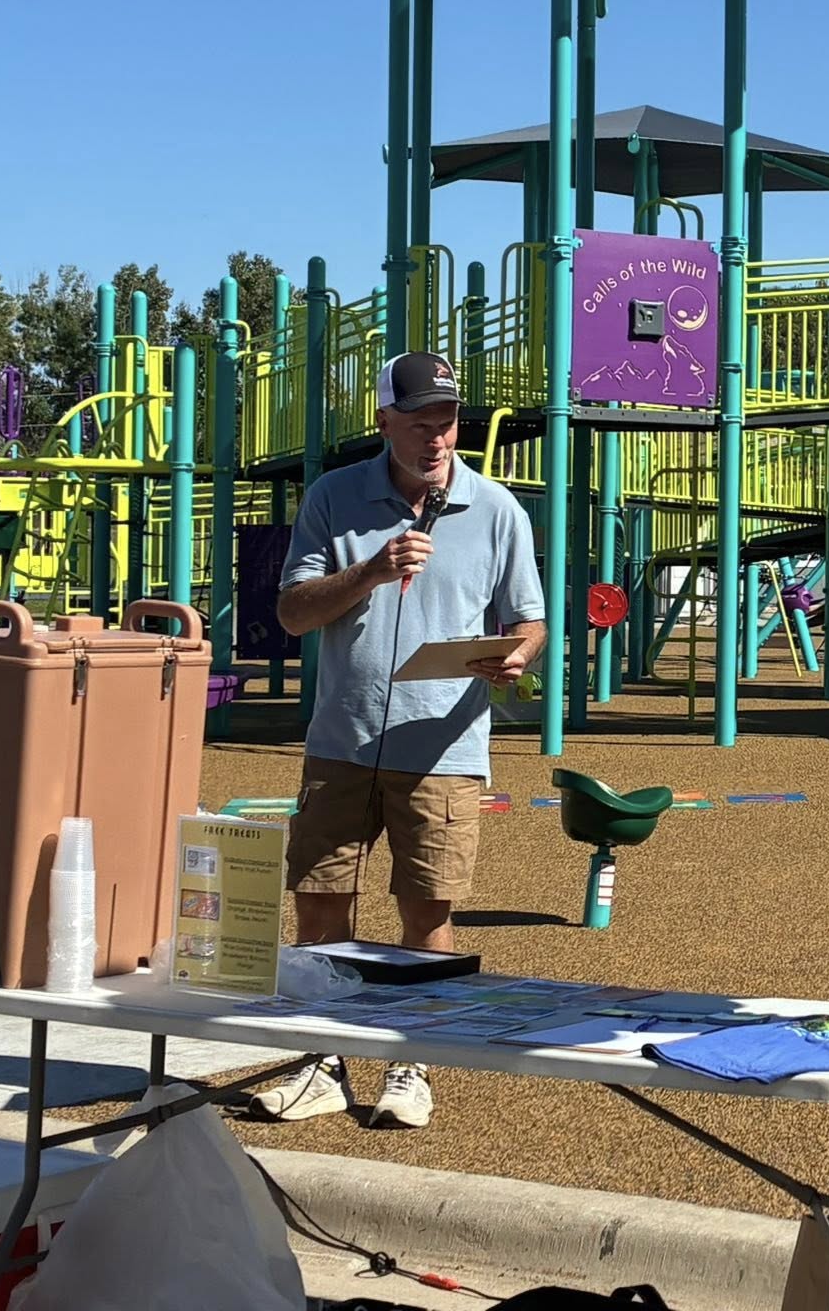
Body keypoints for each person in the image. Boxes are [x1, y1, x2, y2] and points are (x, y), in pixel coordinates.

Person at [251, 352, 546, 1129]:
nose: (437, 437)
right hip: (342, 738)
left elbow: (530, 619)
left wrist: (519, 654)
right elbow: (292, 614)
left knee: (428, 914)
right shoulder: (334, 497)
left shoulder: (498, 510)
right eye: (419, 423)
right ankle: (322, 1062)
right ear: (382, 423)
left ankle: (413, 1064)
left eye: (447, 421)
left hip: (442, 749)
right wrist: (372, 571)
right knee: (320, 905)